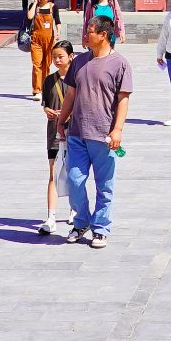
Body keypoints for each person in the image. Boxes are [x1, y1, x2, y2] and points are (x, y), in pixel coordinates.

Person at [56, 15, 133, 247]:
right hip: (77, 132)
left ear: (103, 35)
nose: (85, 35)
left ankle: (100, 228)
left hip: (103, 135)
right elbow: (71, 93)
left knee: (104, 185)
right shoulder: (79, 61)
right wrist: (61, 119)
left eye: (89, 31)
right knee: (75, 180)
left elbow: (123, 99)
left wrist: (117, 129)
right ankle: (81, 222)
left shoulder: (120, 64)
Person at [38, 40, 74, 235]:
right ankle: (51, 217)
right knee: (53, 172)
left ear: (71, 57)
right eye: (54, 57)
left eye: (61, 56)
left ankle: (74, 209)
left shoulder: (78, 79)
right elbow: (45, 103)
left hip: (74, 132)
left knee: (74, 172)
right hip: (54, 132)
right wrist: (48, 111)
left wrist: (68, 114)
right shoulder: (49, 80)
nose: (57, 60)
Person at [26, 0, 61, 98]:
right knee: (37, 64)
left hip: (49, 40)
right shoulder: (34, 6)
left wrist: (58, 32)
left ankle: (44, 87)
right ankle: (37, 90)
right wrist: (35, 3)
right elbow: (29, 16)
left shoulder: (53, 7)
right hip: (36, 40)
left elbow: (58, 21)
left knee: (47, 65)